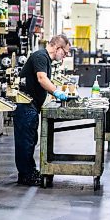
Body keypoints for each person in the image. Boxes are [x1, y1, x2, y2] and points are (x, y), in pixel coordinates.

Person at [14, 34, 70, 186]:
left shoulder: (46, 59)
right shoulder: (40, 56)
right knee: (25, 141)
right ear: (57, 48)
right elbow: (41, 78)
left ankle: (30, 172)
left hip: (31, 105)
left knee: (31, 140)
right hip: (25, 105)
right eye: (64, 53)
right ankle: (26, 175)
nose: (64, 56)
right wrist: (56, 92)